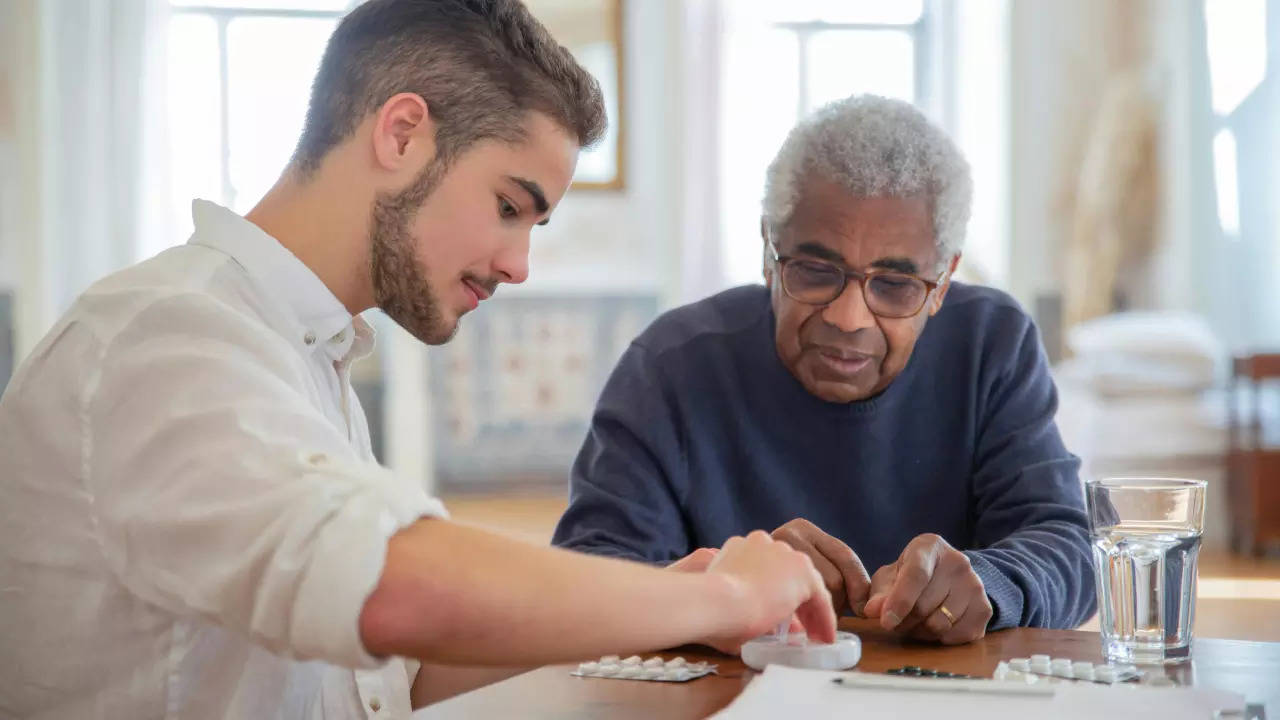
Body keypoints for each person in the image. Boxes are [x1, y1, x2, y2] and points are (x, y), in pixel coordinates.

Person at [0, 1, 835, 717]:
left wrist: (662, 608)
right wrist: (715, 594)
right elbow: (391, 586)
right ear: (402, 132)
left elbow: (392, 669)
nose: (519, 265)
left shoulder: (302, 357)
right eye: (509, 206)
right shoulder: (164, 335)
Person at [553, 95, 1096, 646]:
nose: (848, 317)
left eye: (895, 285)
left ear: (943, 282)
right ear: (769, 252)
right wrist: (728, 587)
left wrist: (991, 580)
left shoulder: (992, 344)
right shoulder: (672, 365)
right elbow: (589, 581)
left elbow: (1068, 547)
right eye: (815, 271)